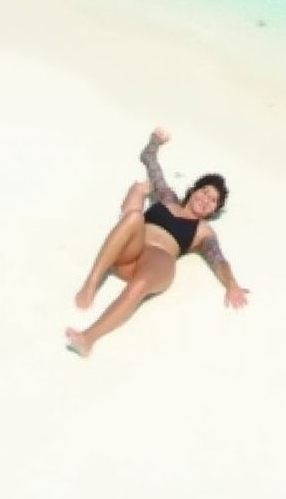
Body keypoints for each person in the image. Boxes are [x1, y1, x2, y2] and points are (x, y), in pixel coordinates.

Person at [65, 125, 249, 357]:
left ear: (214, 210)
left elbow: (218, 259)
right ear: (193, 190)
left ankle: (88, 338)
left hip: (158, 262)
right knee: (134, 217)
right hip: (129, 254)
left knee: (140, 285)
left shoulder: (204, 231)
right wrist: (155, 141)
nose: (205, 199)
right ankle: (92, 282)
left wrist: (231, 284)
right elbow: (150, 162)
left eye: (213, 201)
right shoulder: (167, 197)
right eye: (204, 192)